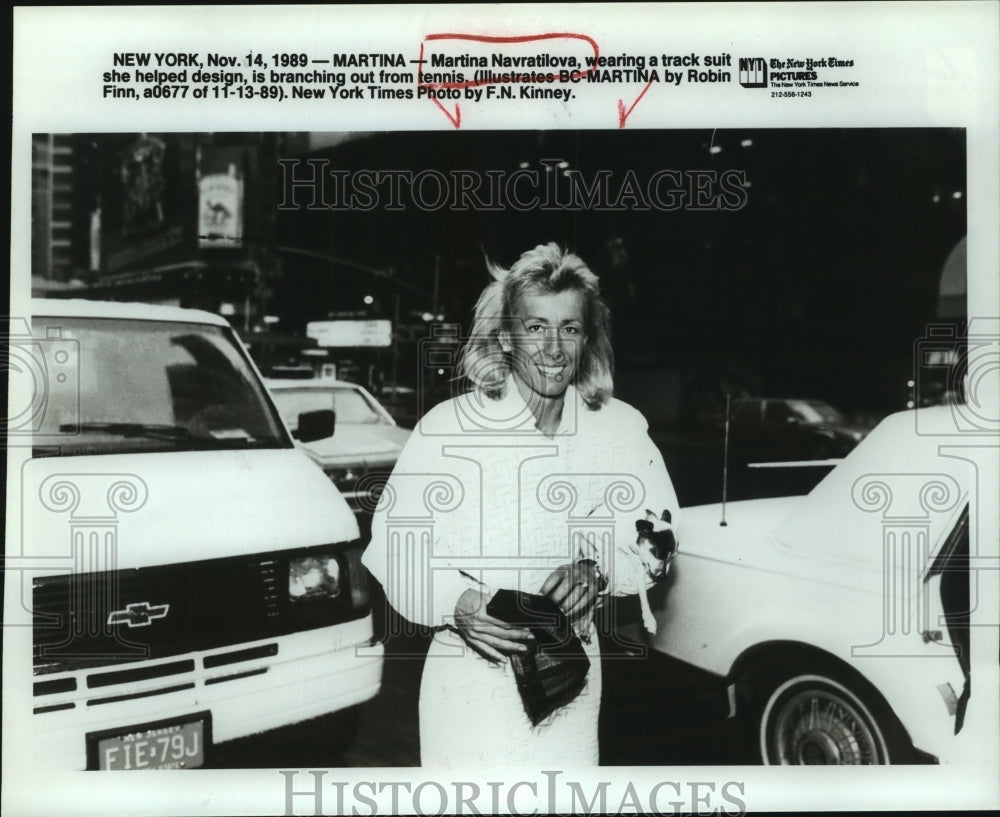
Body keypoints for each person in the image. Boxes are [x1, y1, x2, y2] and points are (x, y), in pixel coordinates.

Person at [362, 243, 679, 767]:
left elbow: (657, 540)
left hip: (569, 684)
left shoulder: (620, 430)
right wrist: (457, 601)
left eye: (570, 328)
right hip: (468, 682)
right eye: (536, 328)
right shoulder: (448, 428)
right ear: (507, 336)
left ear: (587, 337)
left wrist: (596, 571)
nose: (554, 348)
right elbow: (395, 544)